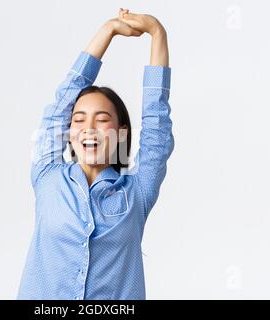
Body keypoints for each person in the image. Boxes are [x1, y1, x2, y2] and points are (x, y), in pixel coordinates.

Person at [17, 8, 174, 300]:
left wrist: (156, 33)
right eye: (79, 119)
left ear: (121, 133)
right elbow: (61, 103)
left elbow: (157, 127)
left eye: (102, 120)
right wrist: (107, 31)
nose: (89, 128)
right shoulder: (47, 176)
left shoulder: (137, 192)